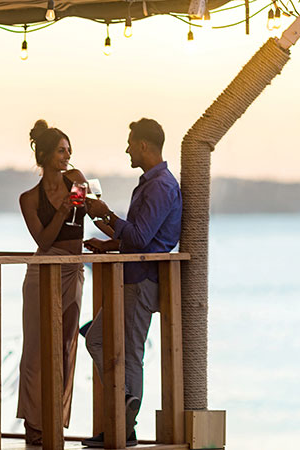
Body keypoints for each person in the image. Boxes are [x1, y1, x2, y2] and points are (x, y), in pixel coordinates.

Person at [82, 118, 182, 447]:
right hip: (131, 275)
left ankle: (123, 424)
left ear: (143, 145)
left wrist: (107, 214)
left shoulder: (160, 186)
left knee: (130, 353)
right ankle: (124, 412)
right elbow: (140, 235)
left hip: (142, 279)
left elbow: (140, 237)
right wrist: (108, 242)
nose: (126, 149)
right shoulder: (151, 183)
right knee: (96, 340)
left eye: (130, 143)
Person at [16, 119, 88, 445]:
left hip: (73, 269)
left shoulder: (78, 180)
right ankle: (33, 421)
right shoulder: (29, 198)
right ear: (44, 155)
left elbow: (94, 211)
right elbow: (43, 241)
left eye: (69, 150)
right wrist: (61, 210)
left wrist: (93, 205)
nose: (67, 155)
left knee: (65, 347)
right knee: (34, 349)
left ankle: (55, 419)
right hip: (42, 270)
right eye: (61, 150)